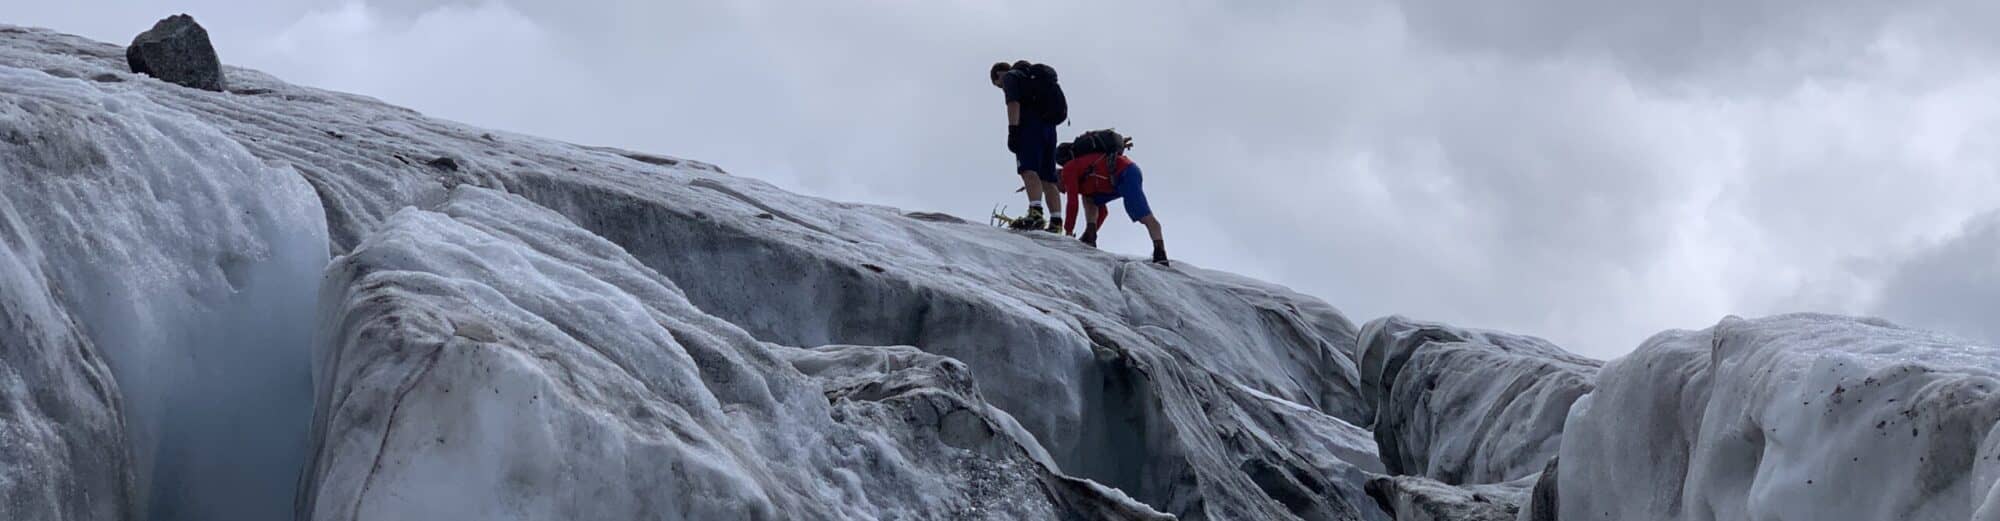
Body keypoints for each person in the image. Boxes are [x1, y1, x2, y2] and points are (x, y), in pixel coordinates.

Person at [1057, 135, 1168, 265]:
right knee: (1089, 198)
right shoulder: (1082, 168)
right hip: (1119, 176)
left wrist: (1068, 231)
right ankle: (1090, 235)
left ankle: (1160, 252)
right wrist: (1093, 230)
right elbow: (1103, 212)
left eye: (1057, 188)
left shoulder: (1068, 170)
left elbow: (1072, 203)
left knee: (1144, 216)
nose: (1060, 192)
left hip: (1124, 174)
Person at [991, 61, 1064, 232]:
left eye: (998, 85)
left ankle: (1035, 214)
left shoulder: (1011, 78)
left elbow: (1013, 104)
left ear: (997, 76)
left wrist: (1013, 131)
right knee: (1048, 177)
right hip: (1049, 129)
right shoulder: (1036, 80)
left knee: (1028, 170)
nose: (1001, 88)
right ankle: (1056, 221)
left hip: (1030, 128)